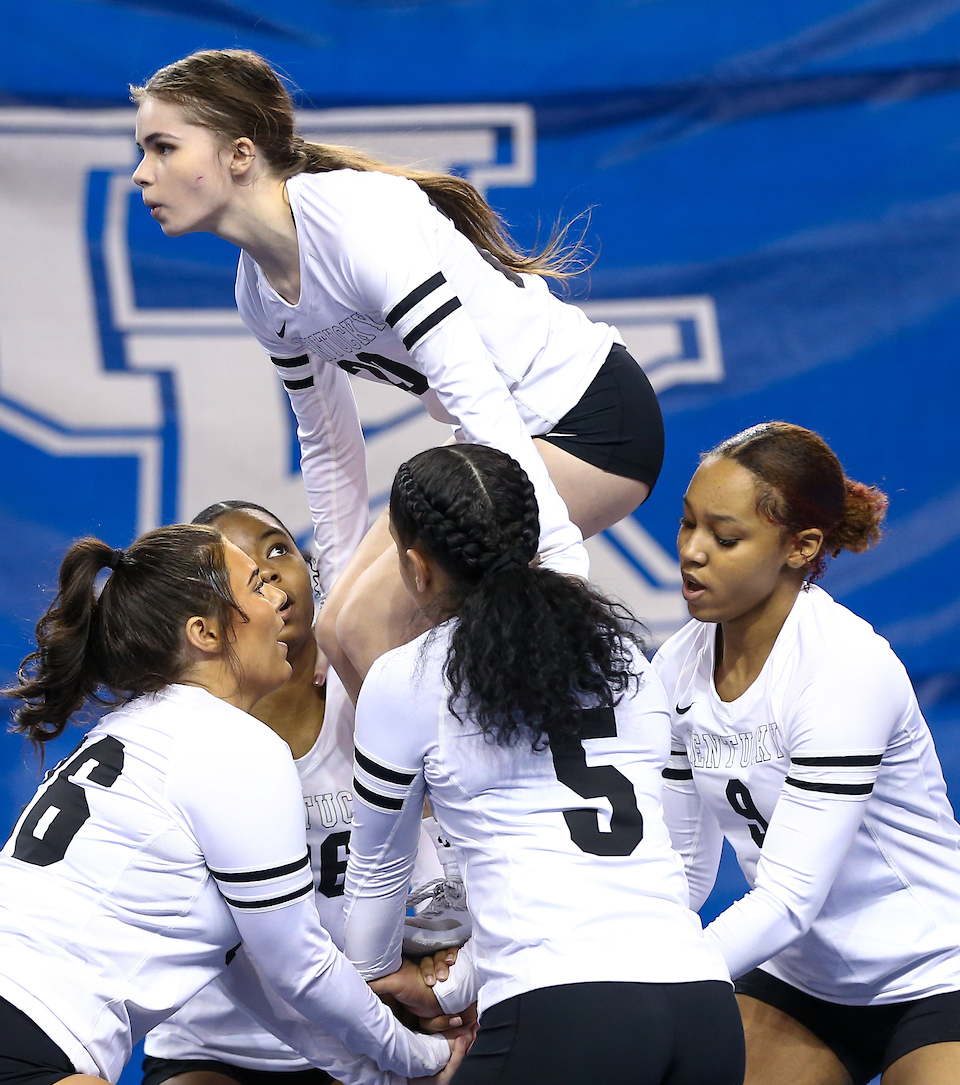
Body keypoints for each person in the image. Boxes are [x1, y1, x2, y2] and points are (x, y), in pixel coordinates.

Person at [130, 48, 665, 700]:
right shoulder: (259, 293)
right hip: (499, 438)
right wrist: (331, 584)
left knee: (372, 634)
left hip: (588, 417)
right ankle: (416, 805)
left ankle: (470, 798)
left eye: (162, 148)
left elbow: (473, 385)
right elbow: (327, 443)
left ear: (240, 154)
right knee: (342, 631)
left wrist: (554, 559)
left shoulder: (355, 222)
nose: (141, 174)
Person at [0, 523, 461, 1085]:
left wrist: (387, 1076)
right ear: (205, 633)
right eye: (256, 585)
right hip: (22, 1048)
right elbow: (299, 968)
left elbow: (260, 977)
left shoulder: (139, 729)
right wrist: (421, 1054)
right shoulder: (230, 744)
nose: (279, 600)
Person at [341, 443, 744, 1085]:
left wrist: (374, 975)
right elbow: (644, 872)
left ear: (418, 566)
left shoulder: (408, 678)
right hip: (702, 1017)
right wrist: (462, 983)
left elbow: (379, 868)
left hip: (564, 1030)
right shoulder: (627, 658)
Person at [652, 421, 960, 1085]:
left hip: (937, 977)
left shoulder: (845, 670)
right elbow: (682, 874)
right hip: (806, 987)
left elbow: (787, 899)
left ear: (800, 546)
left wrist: (646, 988)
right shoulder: (677, 663)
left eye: (724, 537)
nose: (691, 551)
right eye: (688, 522)